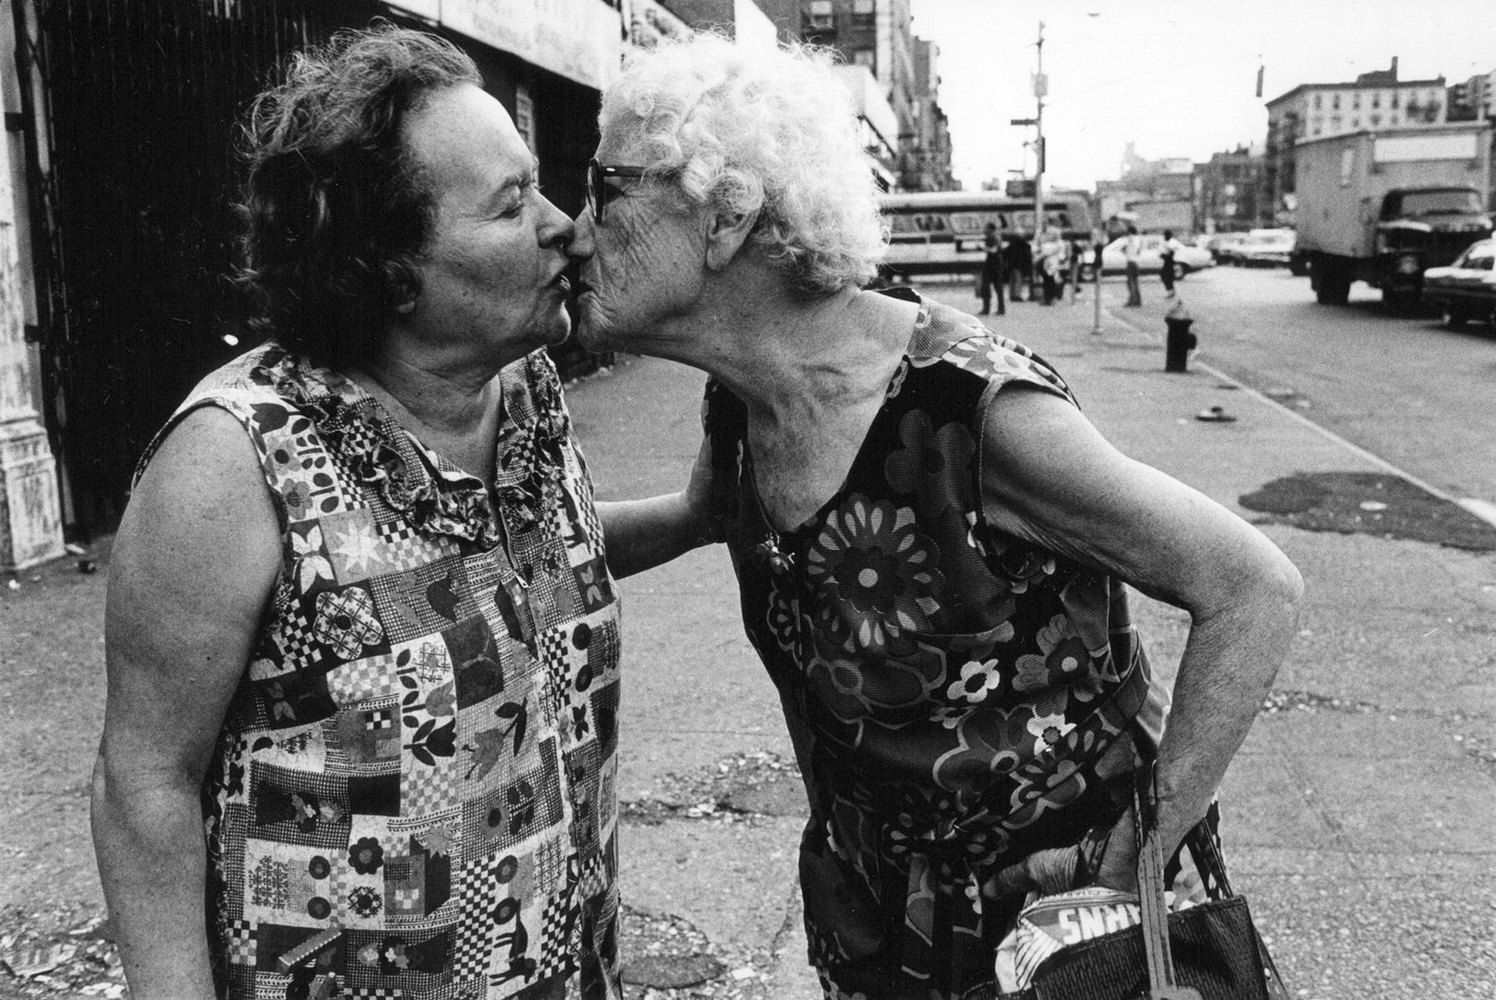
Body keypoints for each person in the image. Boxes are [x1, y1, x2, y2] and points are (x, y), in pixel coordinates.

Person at [568, 33, 1303, 1000]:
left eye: (605, 187)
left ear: (727, 213)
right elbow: (701, 515)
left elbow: (1253, 590)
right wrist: (488, 557)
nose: (576, 226)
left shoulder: (970, 416)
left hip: (1054, 925)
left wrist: (1131, 876)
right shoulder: (742, 402)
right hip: (870, 901)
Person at [91, 25, 714, 1000]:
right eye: (512, 206)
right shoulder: (234, 459)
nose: (566, 225)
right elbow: (143, 783)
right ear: (388, 268)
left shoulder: (526, 394)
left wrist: (690, 515)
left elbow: (504, 584)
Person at [976, 222, 1006, 315]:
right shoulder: (994, 237)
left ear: (990, 229)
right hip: (995, 264)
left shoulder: (994, 237)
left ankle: (987, 309)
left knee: (988, 286)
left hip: (993, 265)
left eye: (986, 228)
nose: (984, 230)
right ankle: (1000, 308)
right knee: (997, 287)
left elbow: (994, 250)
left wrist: (982, 248)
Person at [1004, 233, 1032, 303]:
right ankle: (1017, 295)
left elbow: (1004, 253)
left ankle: (1012, 295)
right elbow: (1027, 255)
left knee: (1012, 281)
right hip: (1019, 266)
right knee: (1018, 280)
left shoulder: (1010, 246)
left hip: (1011, 265)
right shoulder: (1025, 245)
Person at [1122, 222, 1144, 307]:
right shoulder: (1138, 239)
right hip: (1136, 262)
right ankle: (1137, 299)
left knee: (1131, 282)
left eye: (1127, 232)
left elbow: (1131, 250)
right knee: (1134, 281)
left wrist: (1125, 250)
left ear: (1130, 232)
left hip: (1131, 262)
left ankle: (1133, 300)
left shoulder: (1131, 239)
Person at [1160, 228, 1186, 297]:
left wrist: (1165, 253)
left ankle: (1171, 291)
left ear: (1168, 236)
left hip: (1172, 261)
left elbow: (1171, 251)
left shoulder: (1172, 242)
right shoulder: (1167, 242)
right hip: (1168, 261)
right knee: (1165, 276)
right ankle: (1171, 290)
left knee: (1167, 276)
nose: (1164, 237)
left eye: (1165, 235)